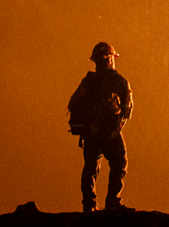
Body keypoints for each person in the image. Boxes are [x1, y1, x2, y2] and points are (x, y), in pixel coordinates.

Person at [67, 42, 132, 213]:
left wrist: (85, 125)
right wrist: (119, 122)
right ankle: (112, 202)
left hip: (91, 132)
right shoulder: (117, 81)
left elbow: (73, 103)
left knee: (90, 168)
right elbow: (127, 104)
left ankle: (89, 205)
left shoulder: (88, 82)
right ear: (110, 59)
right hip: (110, 132)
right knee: (119, 163)